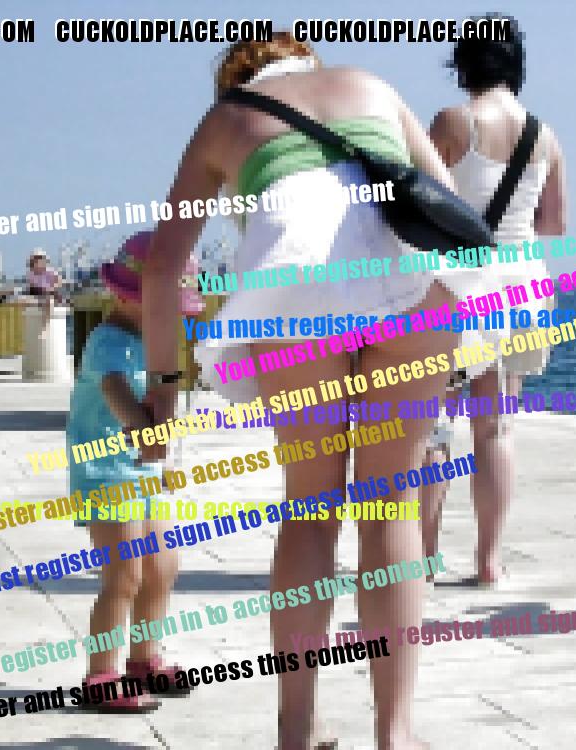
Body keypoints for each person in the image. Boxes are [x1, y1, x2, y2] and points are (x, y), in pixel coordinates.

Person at [138, 33, 505, 750]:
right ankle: (394, 733)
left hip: (293, 293)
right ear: (308, 61)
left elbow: (163, 268)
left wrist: (164, 389)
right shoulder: (371, 84)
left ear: (238, 78)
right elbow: (453, 208)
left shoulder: (226, 118)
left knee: (310, 510)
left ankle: (296, 729)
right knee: (389, 504)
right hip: (412, 287)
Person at [420, 17, 568, 585]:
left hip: (462, 288)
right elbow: (554, 224)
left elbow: (420, 205)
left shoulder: (454, 122)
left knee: (436, 426)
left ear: (463, 64)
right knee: (497, 429)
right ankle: (489, 560)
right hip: (524, 287)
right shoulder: (545, 136)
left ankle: (424, 559)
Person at [68, 231, 200, 712]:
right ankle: (102, 674)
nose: (173, 319)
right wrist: (145, 431)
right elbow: (117, 394)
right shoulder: (107, 342)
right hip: (106, 472)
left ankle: (144, 659)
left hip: (144, 474)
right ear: (127, 296)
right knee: (124, 575)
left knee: (162, 567)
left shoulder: (152, 342)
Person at [26, 250, 62, 316]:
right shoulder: (32, 275)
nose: (37, 263)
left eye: (39, 260)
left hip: (51, 295)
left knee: (49, 300)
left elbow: (59, 282)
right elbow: (32, 290)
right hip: (40, 296)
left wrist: (53, 289)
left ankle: (47, 320)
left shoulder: (50, 272)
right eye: (35, 261)